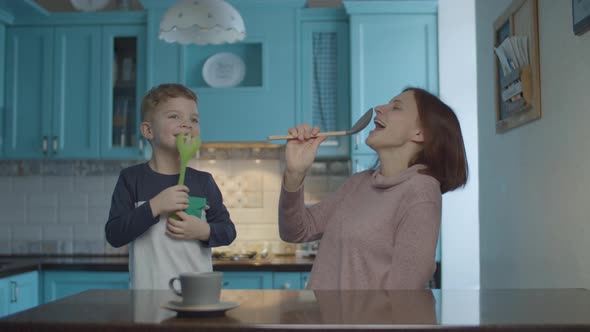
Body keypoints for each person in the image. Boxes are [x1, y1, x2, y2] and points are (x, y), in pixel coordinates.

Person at [279, 87, 468, 289]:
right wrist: (294, 174)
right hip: (327, 320)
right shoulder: (359, 183)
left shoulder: (421, 193)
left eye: (396, 107)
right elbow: (295, 231)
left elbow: (402, 293)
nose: (379, 108)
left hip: (364, 322)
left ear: (420, 132)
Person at [105, 83, 236, 289]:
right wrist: (154, 206)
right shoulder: (131, 179)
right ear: (148, 130)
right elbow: (114, 235)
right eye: (174, 116)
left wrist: (203, 231)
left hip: (197, 297)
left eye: (194, 119)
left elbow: (228, 231)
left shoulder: (203, 181)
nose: (186, 124)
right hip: (147, 298)